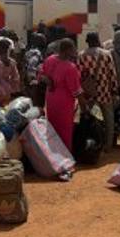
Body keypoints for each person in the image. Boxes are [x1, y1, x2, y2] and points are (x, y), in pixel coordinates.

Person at [39, 38, 84, 166]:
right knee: (65, 130)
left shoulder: (50, 59)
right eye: (73, 48)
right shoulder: (70, 67)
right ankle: (65, 160)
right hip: (64, 102)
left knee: (53, 128)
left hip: (51, 99)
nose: (75, 51)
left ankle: (53, 158)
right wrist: (84, 106)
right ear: (68, 50)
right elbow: (76, 90)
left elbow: (41, 75)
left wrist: (49, 81)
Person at [0, 38, 21, 106]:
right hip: (7, 89)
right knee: (5, 108)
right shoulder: (12, 61)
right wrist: (14, 88)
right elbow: (16, 77)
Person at [25, 33, 47, 107]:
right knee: (36, 104)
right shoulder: (36, 53)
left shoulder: (31, 51)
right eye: (43, 39)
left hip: (34, 81)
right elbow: (31, 67)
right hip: (35, 82)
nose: (45, 41)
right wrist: (34, 81)